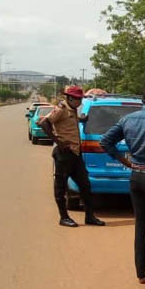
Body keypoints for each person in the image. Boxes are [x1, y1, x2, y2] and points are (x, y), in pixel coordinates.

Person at [100, 85, 145, 285]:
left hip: (136, 176)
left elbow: (105, 141)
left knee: (141, 225)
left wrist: (124, 161)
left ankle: (141, 272)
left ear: (142, 101)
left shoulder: (127, 119)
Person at [39, 85, 105, 228]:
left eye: (80, 99)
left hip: (76, 154)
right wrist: (58, 141)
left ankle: (90, 216)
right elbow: (45, 123)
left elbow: (69, 124)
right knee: (61, 188)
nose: (79, 102)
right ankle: (64, 217)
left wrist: (82, 119)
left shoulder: (73, 110)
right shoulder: (61, 109)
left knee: (85, 185)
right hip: (64, 154)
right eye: (77, 99)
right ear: (69, 98)